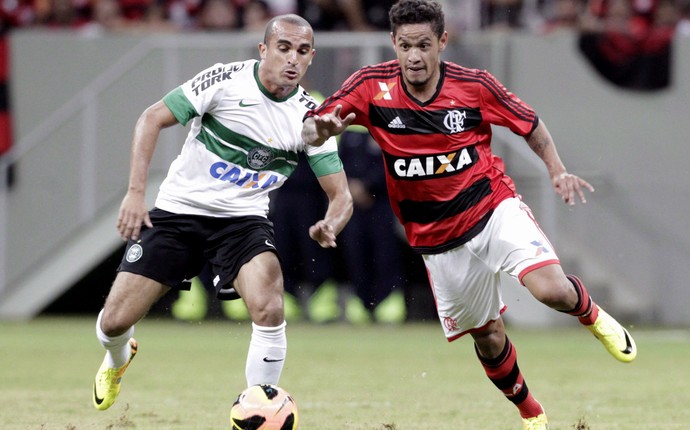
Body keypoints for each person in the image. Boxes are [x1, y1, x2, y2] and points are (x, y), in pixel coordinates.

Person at [302, 1, 637, 428]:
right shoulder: (370, 86)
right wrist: (324, 127)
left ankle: (594, 317)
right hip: (437, 239)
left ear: (442, 42)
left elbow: (530, 124)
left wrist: (557, 171)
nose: (415, 56)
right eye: (405, 46)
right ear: (394, 44)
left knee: (550, 289)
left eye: (424, 45)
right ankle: (531, 413)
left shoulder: (474, 85)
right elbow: (313, 126)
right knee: (488, 335)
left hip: (492, 207)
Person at [92, 13, 353, 411]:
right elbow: (151, 119)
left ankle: (259, 407)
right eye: (283, 48)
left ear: (312, 57)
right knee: (113, 321)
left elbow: (342, 197)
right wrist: (135, 193)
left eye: (302, 52)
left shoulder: (311, 118)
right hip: (179, 211)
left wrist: (329, 223)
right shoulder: (225, 80)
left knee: (270, 304)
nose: (292, 60)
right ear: (263, 49)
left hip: (242, 222)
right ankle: (117, 358)